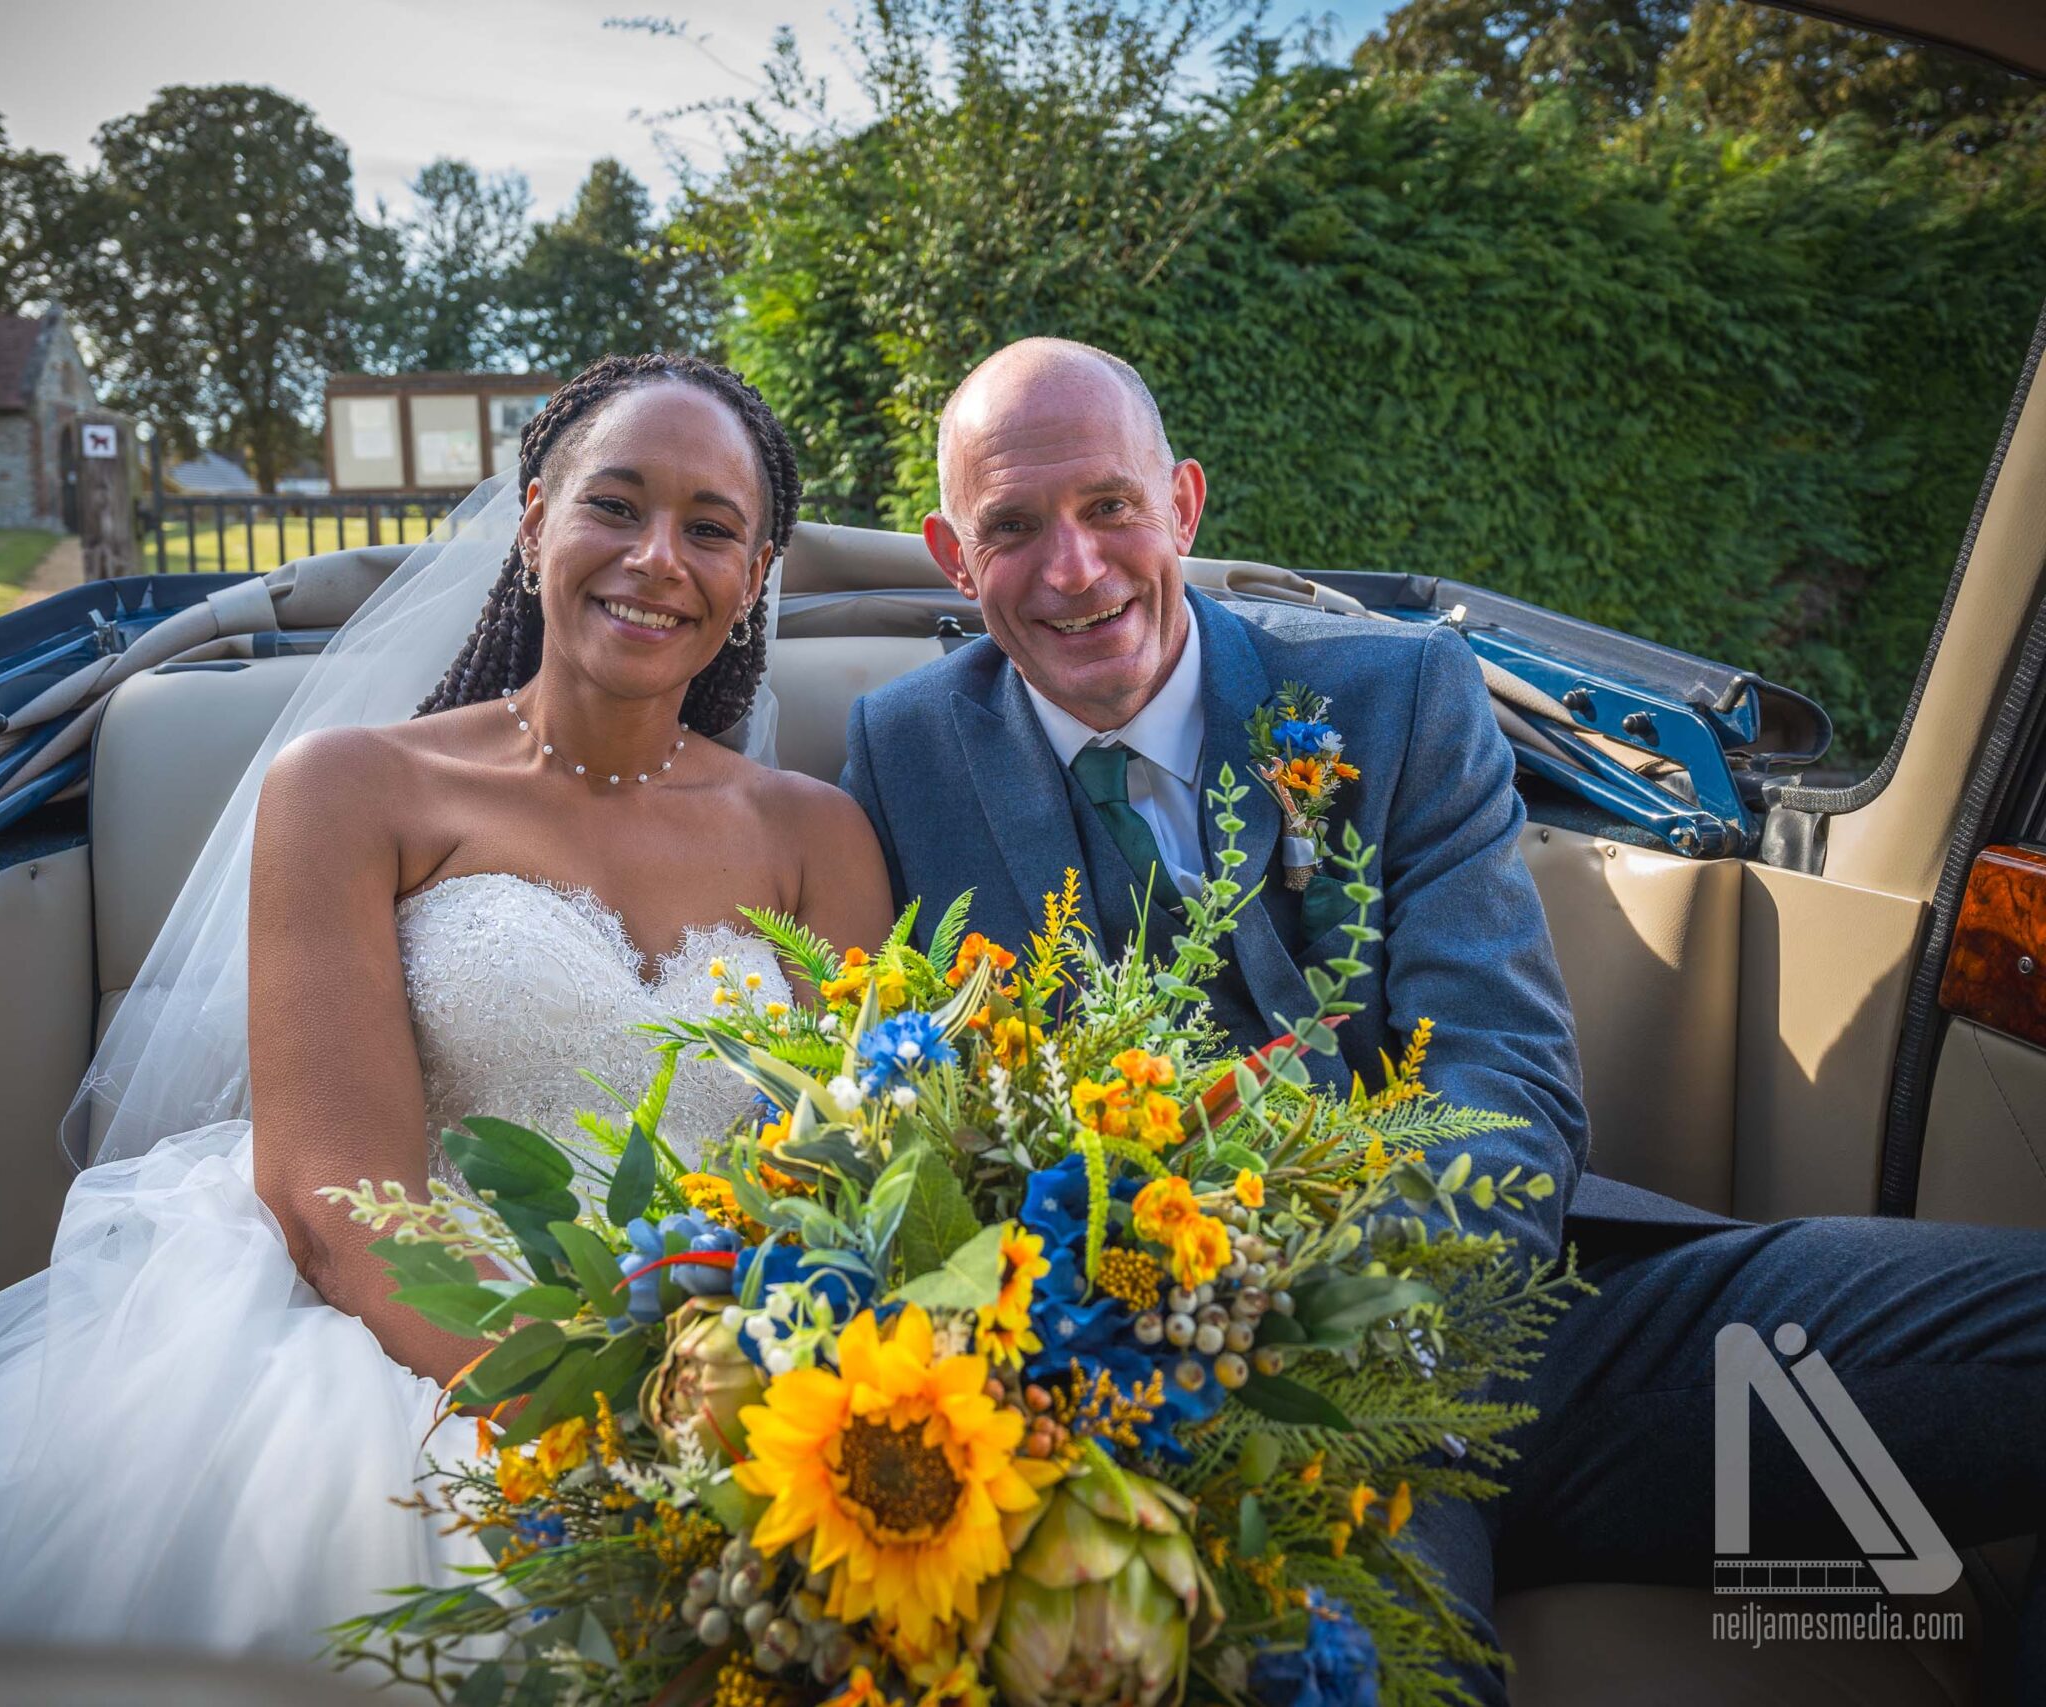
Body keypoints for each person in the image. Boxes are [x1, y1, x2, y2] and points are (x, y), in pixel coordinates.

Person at [0, 354, 894, 1655]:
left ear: (754, 577)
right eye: (616, 505)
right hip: (407, 1340)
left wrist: (759, 1397)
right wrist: (603, 1427)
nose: (658, 559)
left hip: (736, 1348)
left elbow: (862, 1163)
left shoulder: (817, 834)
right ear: (534, 523)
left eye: (712, 530)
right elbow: (338, 1202)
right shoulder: (354, 787)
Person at [840, 336, 2046, 1699]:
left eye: (1109, 505)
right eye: (1012, 528)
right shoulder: (902, 753)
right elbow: (922, 1126)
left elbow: (1504, 1073)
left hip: (1532, 1317)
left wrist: (1376, 1319)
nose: (1074, 568)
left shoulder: (1397, 693)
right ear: (954, 558)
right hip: (1193, 1406)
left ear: (1181, 505)